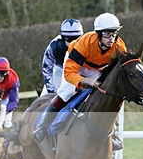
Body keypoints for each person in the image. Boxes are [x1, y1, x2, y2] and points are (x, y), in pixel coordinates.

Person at [32, 12, 126, 149]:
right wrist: (85, 81)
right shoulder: (85, 44)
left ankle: (113, 133)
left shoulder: (119, 46)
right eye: (107, 34)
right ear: (98, 34)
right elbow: (69, 72)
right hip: (75, 65)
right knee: (66, 92)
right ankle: (41, 126)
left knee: (107, 95)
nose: (111, 38)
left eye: (114, 33)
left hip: (96, 69)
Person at [41, 18, 83, 95]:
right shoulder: (54, 45)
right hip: (60, 72)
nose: (73, 44)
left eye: (76, 39)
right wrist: (51, 92)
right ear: (63, 38)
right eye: (69, 40)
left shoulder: (86, 44)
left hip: (79, 72)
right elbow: (47, 70)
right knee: (44, 99)